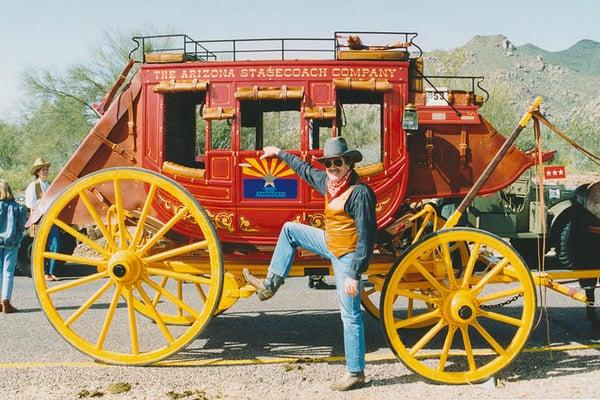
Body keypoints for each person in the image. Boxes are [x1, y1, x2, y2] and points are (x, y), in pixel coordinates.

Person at [243, 137, 376, 391]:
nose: (333, 167)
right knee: (290, 230)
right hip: (330, 242)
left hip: (347, 255)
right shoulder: (329, 182)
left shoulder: (360, 193)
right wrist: (279, 151)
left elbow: (367, 237)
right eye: (329, 163)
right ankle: (270, 285)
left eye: (338, 162)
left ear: (349, 163)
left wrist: (355, 275)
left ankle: (356, 373)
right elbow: (303, 169)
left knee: (350, 315)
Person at [25, 157, 60, 281]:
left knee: (55, 245)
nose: (45, 172)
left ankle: (51, 271)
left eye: (46, 169)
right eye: (43, 170)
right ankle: (45, 272)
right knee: (42, 246)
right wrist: (44, 200)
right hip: (40, 219)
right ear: (38, 172)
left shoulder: (49, 185)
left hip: (50, 218)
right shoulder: (33, 186)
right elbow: (30, 203)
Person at [0, 180, 28, 313]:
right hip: (12, 242)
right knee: (8, 272)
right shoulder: (18, 207)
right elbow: (22, 225)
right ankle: (6, 301)